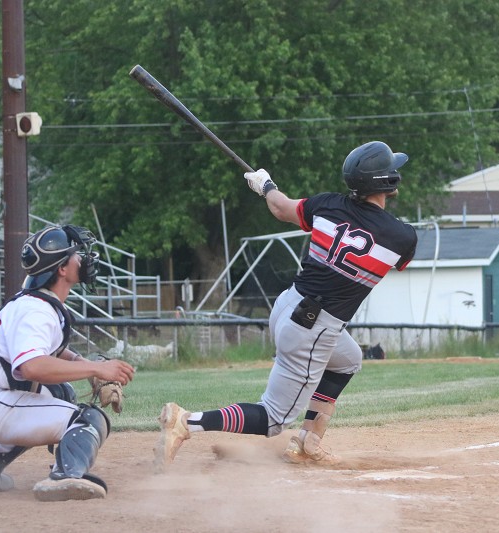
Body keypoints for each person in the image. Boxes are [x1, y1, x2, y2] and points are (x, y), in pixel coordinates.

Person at [154, 141, 418, 472]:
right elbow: (387, 251)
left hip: (287, 305)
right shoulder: (402, 237)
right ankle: (188, 422)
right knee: (273, 419)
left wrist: (266, 185)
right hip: (315, 327)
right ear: (387, 182)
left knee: (348, 359)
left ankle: (309, 442)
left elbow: (280, 208)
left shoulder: (327, 205)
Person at [0, 225, 135, 501]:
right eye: (75, 255)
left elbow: (45, 351)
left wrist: (83, 365)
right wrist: (97, 368)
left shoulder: (32, 302)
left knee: (60, 393)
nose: (82, 260)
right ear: (61, 269)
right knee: (86, 418)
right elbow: (32, 367)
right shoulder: (36, 309)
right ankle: (66, 475)